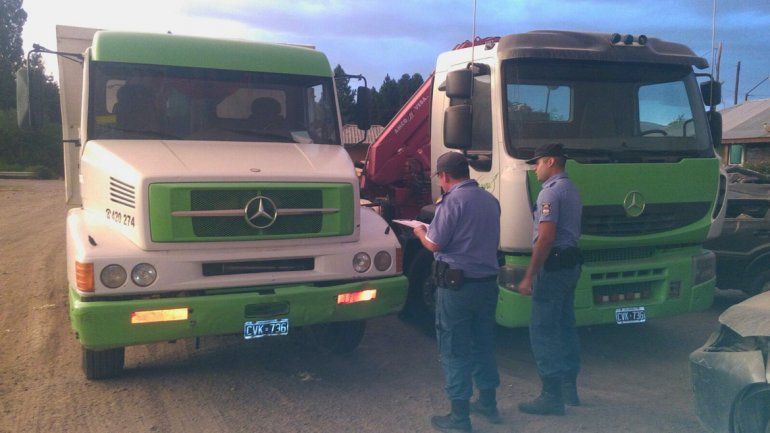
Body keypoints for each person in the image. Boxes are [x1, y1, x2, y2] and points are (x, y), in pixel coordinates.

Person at [413, 151, 502, 432]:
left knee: (454, 348)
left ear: (444, 176)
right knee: (483, 344)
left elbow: (435, 244)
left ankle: (459, 417)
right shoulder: (490, 200)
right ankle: (488, 402)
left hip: (457, 288)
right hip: (487, 285)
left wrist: (419, 232)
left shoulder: (452, 202)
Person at [516, 142, 583, 415]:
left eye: (537, 162)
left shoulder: (550, 194)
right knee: (565, 325)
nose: (534, 168)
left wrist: (529, 275)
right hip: (570, 265)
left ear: (551, 161)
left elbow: (545, 237)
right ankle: (570, 390)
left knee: (543, 330)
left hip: (553, 268)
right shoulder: (572, 189)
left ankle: (551, 396)